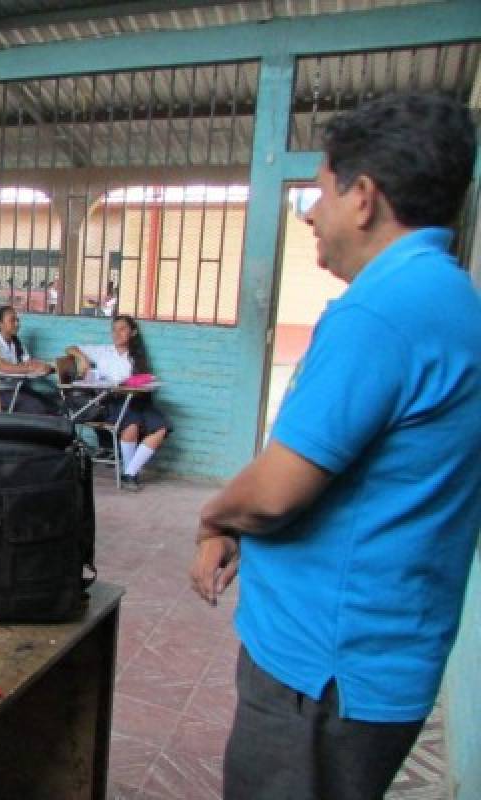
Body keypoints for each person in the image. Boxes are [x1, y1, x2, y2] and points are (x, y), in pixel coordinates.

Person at [189, 93, 481, 800]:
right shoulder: (452, 298)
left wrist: (216, 517)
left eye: (318, 194)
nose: (312, 214)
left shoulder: (381, 312)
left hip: (320, 676)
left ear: (364, 198)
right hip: (382, 660)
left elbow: (277, 491)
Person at [66, 314, 170, 491]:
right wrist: (82, 358)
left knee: (161, 428)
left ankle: (129, 473)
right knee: (131, 424)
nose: (117, 333)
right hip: (111, 402)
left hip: (137, 401)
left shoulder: (136, 358)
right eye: (114, 329)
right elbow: (71, 348)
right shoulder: (103, 352)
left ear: (133, 333)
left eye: (122, 329)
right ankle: (130, 476)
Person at [0, 306, 56, 415]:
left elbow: (27, 362)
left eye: (17, 320)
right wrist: (29, 368)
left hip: (17, 389)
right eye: (12, 320)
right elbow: (2, 367)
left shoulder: (16, 343)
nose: (17, 324)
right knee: (38, 408)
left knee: (52, 404)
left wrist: (43, 366)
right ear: (0, 324)